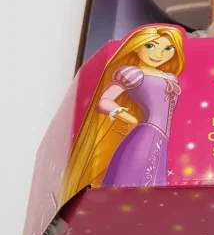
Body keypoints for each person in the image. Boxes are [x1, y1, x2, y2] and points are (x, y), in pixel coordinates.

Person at [59, 25, 185, 206]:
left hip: (162, 140)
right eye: (150, 46)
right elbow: (104, 101)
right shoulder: (133, 74)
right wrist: (127, 117)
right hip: (145, 135)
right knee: (132, 182)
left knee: (153, 187)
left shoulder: (169, 77)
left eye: (168, 48)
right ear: (137, 46)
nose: (159, 54)